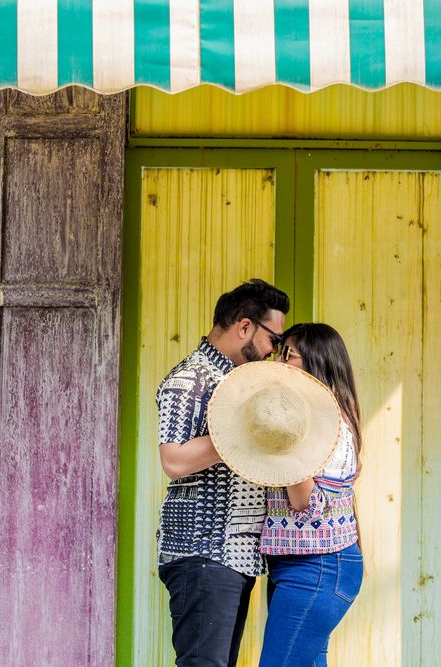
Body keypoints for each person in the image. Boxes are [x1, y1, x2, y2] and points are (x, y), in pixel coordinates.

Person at [155, 278, 289, 667]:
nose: (273, 350)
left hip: (232, 556)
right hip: (203, 553)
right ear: (245, 327)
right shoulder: (191, 380)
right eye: (273, 339)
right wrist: (245, 431)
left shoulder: (233, 381)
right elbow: (174, 460)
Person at [259, 323, 364, 667]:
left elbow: (307, 505)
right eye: (280, 352)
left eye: (290, 354)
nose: (279, 361)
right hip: (303, 566)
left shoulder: (323, 423)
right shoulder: (324, 417)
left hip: (317, 567)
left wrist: (287, 442)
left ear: (317, 362)